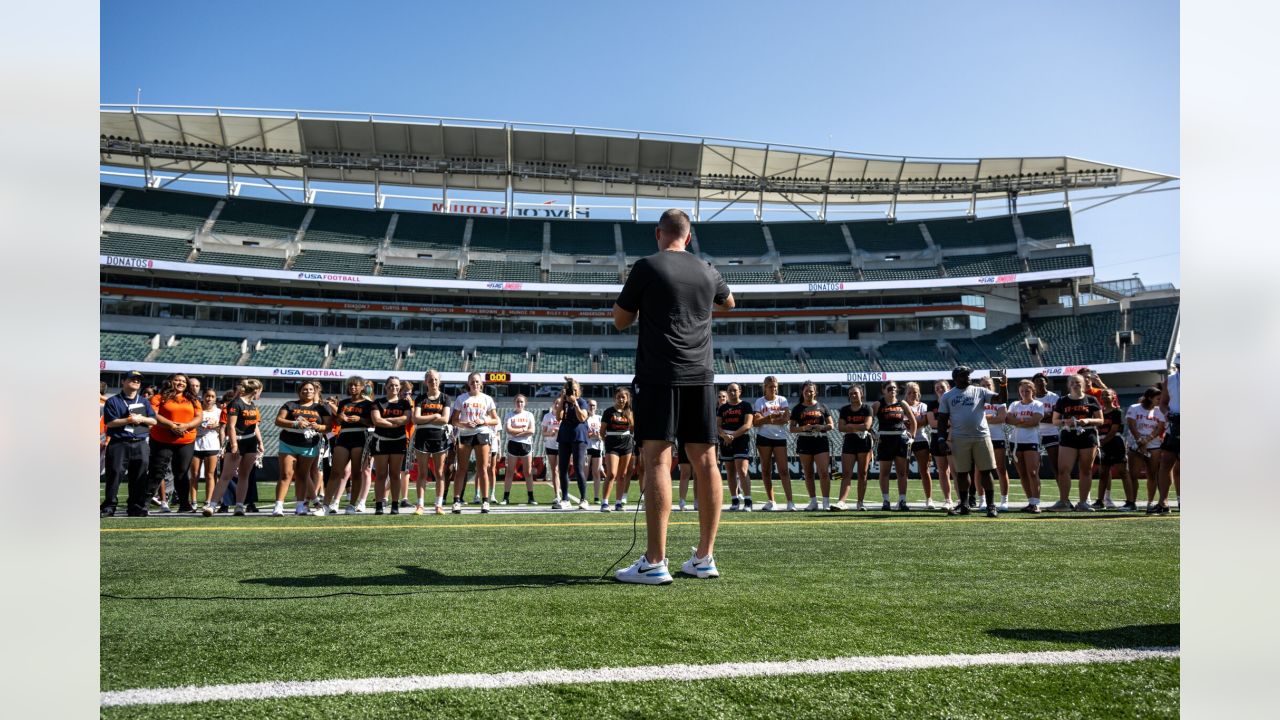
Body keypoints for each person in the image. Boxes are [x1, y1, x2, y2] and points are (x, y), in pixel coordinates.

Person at [611, 208, 733, 584]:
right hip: (701, 375)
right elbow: (729, 303)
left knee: (659, 462)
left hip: (660, 375)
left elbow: (620, 319)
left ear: (658, 234)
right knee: (707, 462)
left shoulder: (647, 266)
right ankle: (704, 557)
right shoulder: (707, 268)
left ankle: (655, 561)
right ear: (689, 236)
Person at [938, 366, 1007, 518]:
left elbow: (1001, 399)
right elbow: (942, 419)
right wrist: (941, 438)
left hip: (981, 436)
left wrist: (1003, 384)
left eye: (968, 374)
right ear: (956, 378)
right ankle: (964, 504)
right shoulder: (947, 396)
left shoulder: (980, 390)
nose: (968, 377)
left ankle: (990, 505)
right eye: (964, 375)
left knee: (986, 471)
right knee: (962, 473)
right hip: (959, 437)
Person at [204, 379, 264, 516]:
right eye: (260, 390)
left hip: (250, 443)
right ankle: (212, 505)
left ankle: (239, 506)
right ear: (256, 390)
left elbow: (254, 425)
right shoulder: (236, 403)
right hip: (237, 441)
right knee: (226, 475)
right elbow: (230, 426)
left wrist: (260, 442)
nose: (260, 393)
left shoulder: (252, 405)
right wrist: (234, 445)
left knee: (244, 476)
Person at [270, 380, 331, 517]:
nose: (308, 392)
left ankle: (300, 506)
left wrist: (318, 427)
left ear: (315, 392)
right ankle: (278, 506)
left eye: (310, 389)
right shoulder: (290, 404)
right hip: (288, 443)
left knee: (303, 475)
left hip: (309, 445)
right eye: (304, 389)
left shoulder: (322, 407)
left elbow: (328, 427)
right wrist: (295, 423)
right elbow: (278, 420)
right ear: (299, 391)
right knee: (286, 474)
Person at [102, 371, 157, 516]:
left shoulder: (144, 401)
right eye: (132, 379)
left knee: (139, 476)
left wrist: (141, 419)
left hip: (140, 442)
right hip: (119, 442)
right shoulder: (112, 401)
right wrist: (128, 420)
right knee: (114, 475)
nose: (136, 382)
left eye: (138, 380)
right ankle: (109, 505)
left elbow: (153, 420)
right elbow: (110, 423)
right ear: (123, 382)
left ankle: (135, 506)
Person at [146, 373, 202, 513]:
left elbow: (199, 417)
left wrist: (186, 426)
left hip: (186, 440)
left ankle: (184, 505)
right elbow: (153, 415)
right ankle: (142, 504)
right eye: (177, 380)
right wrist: (172, 425)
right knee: (157, 472)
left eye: (183, 381)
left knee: (182, 473)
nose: (180, 383)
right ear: (170, 381)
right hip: (161, 440)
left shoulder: (192, 399)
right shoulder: (158, 397)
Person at [1049, 373, 1104, 511]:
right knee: (1063, 470)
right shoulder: (1062, 400)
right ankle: (1064, 501)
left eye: (1078, 382)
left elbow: (1100, 420)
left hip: (1088, 436)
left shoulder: (1091, 399)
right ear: (1068, 385)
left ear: (1083, 384)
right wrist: (1064, 421)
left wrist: (1088, 420)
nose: (1075, 384)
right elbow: (1055, 421)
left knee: (1085, 470)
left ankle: (1083, 502)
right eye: (1072, 382)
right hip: (1068, 435)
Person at [451, 372, 499, 514]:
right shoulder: (461, 398)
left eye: (477, 381)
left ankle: (485, 501)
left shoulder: (487, 399)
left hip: (482, 433)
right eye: (472, 381)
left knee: (483, 468)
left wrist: (483, 421)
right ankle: (456, 501)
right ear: (468, 383)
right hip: (465, 434)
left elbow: (496, 420)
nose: (475, 384)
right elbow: (454, 420)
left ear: (481, 384)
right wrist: (464, 424)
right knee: (461, 469)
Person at [325, 377, 372, 515]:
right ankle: (325, 505)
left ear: (362, 387)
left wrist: (360, 419)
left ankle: (351, 505)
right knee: (336, 472)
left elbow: (372, 422)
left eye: (356, 385)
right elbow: (338, 422)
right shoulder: (344, 402)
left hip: (360, 436)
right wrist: (340, 418)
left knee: (356, 473)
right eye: (350, 385)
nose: (352, 388)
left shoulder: (368, 404)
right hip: (344, 436)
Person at [871, 382, 917, 511]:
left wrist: (912, 437)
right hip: (885, 440)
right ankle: (886, 501)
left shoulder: (902, 403)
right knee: (884, 472)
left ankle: (902, 500)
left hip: (900, 439)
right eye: (889, 388)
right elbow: (869, 421)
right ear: (883, 390)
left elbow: (913, 420)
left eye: (894, 388)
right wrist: (873, 434)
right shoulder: (878, 404)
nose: (892, 391)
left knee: (902, 472)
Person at [370, 377, 413, 515]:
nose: (393, 388)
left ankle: (395, 504)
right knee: (381, 475)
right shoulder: (378, 402)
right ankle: (379, 505)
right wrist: (395, 422)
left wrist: (387, 420)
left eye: (396, 385)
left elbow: (406, 419)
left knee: (395, 474)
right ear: (385, 387)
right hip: (380, 440)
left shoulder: (404, 403)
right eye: (390, 385)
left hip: (398, 440)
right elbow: (376, 421)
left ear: (399, 387)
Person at [789, 380, 835, 511]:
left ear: (815, 392)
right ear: (802, 392)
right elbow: (791, 428)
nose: (809, 393)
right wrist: (804, 428)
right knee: (808, 473)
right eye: (806, 391)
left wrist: (821, 427)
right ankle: (813, 501)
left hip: (820, 440)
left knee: (824, 472)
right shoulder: (798, 408)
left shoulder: (822, 406)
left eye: (811, 391)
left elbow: (831, 425)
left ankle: (826, 501)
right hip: (804, 441)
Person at [412, 370, 452, 515]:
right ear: (426, 382)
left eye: (435, 380)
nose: (433, 382)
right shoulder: (420, 398)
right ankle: (420, 505)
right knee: (422, 472)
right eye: (430, 380)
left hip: (439, 436)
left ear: (439, 381)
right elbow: (415, 419)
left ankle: (438, 505)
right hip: (422, 437)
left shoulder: (445, 398)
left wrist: (427, 417)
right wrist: (435, 415)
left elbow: (445, 419)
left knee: (439, 472)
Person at [752, 375, 794, 511]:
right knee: (765, 469)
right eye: (770, 386)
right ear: (765, 387)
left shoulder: (782, 400)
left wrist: (767, 418)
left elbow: (786, 418)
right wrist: (772, 417)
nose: (773, 388)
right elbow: (755, 422)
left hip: (779, 437)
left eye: (775, 386)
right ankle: (771, 501)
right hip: (763, 437)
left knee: (784, 470)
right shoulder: (759, 401)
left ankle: (790, 502)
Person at [1006, 380, 1046, 513]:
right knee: (1022, 474)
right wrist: (1024, 421)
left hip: (1031, 441)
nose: (1024, 393)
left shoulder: (1037, 404)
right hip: (1016, 442)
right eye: (1022, 391)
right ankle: (1030, 502)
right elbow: (1008, 420)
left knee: (1033, 473)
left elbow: (1034, 421)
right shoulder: (1014, 404)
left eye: (1027, 390)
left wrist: (1018, 421)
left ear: (1033, 391)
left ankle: (1036, 503)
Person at [1128, 386, 1167, 513]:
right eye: (1158, 398)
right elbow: (1131, 425)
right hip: (1136, 445)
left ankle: (1150, 502)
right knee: (1133, 474)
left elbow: (1160, 428)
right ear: (1149, 398)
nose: (1160, 401)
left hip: (1154, 445)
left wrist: (1147, 440)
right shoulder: (1134, 408)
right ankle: (1132, 502)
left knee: (1152, 475)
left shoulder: (1160, 411)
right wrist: (1140, 441)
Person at [555, 378, 591, 510]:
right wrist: (561, 400)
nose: (573, 392)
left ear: (579, 391)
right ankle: (565, 498)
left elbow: (582, 417)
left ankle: (583, 499)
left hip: (578, 436)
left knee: (578, 467)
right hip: (564, 435)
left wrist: (575, 403)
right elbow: (558, 417)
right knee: (563, 468)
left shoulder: (582, 402)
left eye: (575, 390)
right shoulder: (563, 402)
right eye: (571, 390)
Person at [718, 383, 755, 512]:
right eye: (730, 390)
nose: (732, 393)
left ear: (740, 391)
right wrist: (724, 436)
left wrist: (732, 436)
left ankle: (748, 500)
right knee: (730, 471)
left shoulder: (746, 405)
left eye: (735, 390)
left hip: (741, 439)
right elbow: (717, 426)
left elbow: (748, 425)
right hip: (725, 441)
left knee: (742, 470)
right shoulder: (723, 408)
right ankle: (734, 500)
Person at [599, 387, 636, 512]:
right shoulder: (609, 412)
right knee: (612, 474)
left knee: (622, 475)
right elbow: (602, 431)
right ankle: (604, 502)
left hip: (626, 445)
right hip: (612, 445)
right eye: (619, 397)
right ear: (615, 397)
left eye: (623, 397)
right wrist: (607, 443)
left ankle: (619, 503)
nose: (621, 399)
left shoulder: (630, 411)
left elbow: (632, 429)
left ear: (627, 399)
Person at [838, 384, 874, 511]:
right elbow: (841, 427)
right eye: (851, 393)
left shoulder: (867, 409)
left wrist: (850, 425)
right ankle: (841, 502)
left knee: (862, 473)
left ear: (861, 394)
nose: (853, 395)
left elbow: (867, 426)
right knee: (846, 473)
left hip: (863, 442)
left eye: (856, 393)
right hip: (849, 441)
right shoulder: (845, 409)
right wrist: (857, 426)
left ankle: (860, 502)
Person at [978, 376, 1011, 511]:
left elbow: (1002, 418)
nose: (986, 387)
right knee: (979, 471)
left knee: (1001, 469)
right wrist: (992, 417)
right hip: (980, 437)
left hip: (997, 437)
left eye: (989, 385)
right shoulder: (977, 400)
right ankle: (982, 500)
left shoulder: (999, 400)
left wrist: (984, 418)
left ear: (993, 386)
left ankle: (1004, 500)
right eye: (983, 385)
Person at [190, 387, 223, 511]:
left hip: (212, 444)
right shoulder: (197, 410)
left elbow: (223, 427)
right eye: (207, 396)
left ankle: (208, 501)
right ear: (202, 397)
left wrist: (218, 425)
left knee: (210, 474)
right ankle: (193, 501)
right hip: (196, 443)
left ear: (215, 399)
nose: (209, 399)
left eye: (212, 396)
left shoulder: (219, 412)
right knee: (194, 474)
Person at [903, 382, 935, 510]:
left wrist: (910, 422)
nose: (912, 394)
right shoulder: (902, 405)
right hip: (905, 440)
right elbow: (902, 422)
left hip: (921, 439)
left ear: (919, 393)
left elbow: (924, 422)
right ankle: (902, 499)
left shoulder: (923, 406)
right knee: (903, 472)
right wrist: (914, 422)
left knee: (924, 471)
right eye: (909, 392)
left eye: (915, 392)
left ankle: (929, 499)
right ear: (906, 393)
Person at [1095, 389, 1128, 510]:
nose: (1104, 397)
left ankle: (1130, 502)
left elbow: (1114, 430)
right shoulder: (1100, 412)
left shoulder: (1117, 411)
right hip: (1103, 443)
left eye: (1107, 394)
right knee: (1103, 473)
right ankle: (1100, 501)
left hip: (1115, 442)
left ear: (1114, 396)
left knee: (1123, 472)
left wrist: (1101, 443)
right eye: (1102, 395)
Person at [502, 394, 537, 505]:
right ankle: (506, 498)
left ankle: (531, 497)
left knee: (528, 472)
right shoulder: (509, 415)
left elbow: (532, 431)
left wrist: (516, 431)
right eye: (517, 401)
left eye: (521, 401)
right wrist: (523, 429)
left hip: (526, 445)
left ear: (525, 403)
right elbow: (508, 430)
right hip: (513, 444)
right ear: (514, 402)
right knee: (510, 472)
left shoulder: (529, 415)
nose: (519, 403)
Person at [1157, 353, 1180, 513]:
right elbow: (1163, 403)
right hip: (1174, 425)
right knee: (1166, 462)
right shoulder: (1170, 380)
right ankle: (1163, 502)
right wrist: (1167, 414)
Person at [928, 380, 955, 510]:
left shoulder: (954, 402)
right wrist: (946, 421)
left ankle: (962, 499)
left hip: (952, 436)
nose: (940, 389)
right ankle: (948, 499)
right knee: (943, 471)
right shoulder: (932, 404)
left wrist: (942, 421)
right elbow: (932, 423)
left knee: (956, 470)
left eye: (942, 387)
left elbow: (956, 421)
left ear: (948, 387)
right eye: (937, 388)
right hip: (936, 436)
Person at [1033, 372, 1060, 496]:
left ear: (1046, 382)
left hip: (1051, 433)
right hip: (1034, 434)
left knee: (1056, 466)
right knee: (1034, 469)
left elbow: (1054, 418)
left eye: (1041, 380)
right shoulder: (1031, 397)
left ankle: (1063, 496)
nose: (1039, 383)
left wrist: (1038, 417)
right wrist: (1046, 415)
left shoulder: (1054, 397)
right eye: (1036, 381)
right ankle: (1034, 499)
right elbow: (1031, 417)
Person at [540, 404, 562, 503]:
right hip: (550, 445)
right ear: (553, 405)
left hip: (562, 445)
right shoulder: (547, 416)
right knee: (554, 470)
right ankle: (557, 494)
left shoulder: (563, 414)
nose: (557, 405)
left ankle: (562, 490)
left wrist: (559, 430)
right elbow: (543, 433)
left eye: (559, 403)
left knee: (561, 470)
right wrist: (550, 433)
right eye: (556, 403)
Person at [586, 399, 603, 504]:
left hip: (598, 447)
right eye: (590, 405)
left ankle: (596, 497)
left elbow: (603, 434)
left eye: (594, 405)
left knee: (596, 472)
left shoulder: (599, 418)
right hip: (586, 447)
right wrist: (592, 435)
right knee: (585, 472)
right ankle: (583, 496)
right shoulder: (584, 419)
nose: (592, 407)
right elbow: (584, 433)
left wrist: (599, 436)